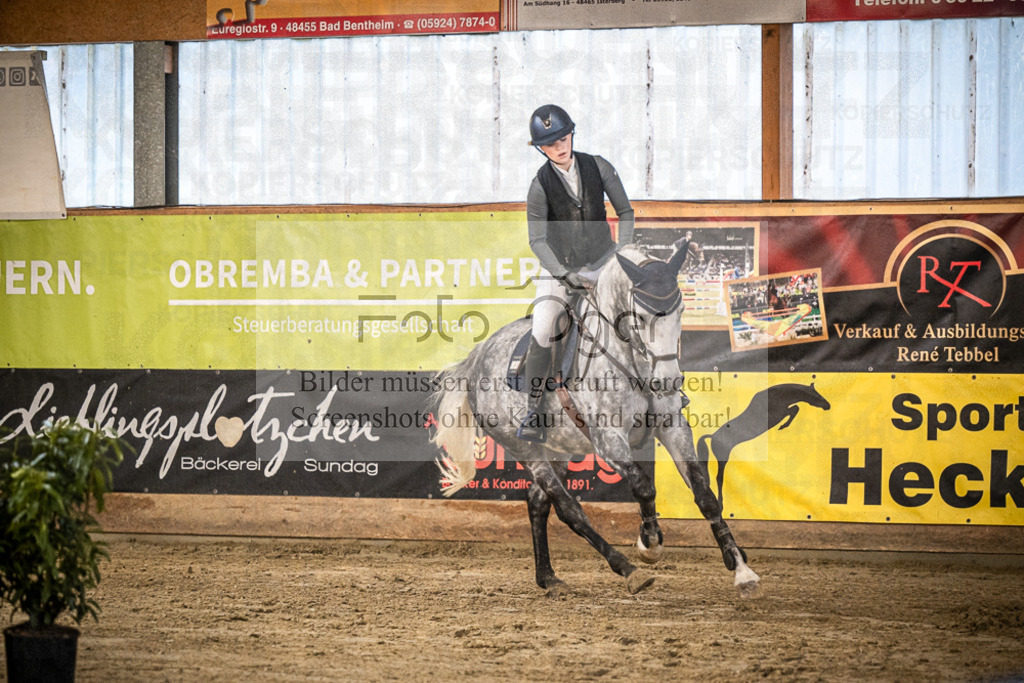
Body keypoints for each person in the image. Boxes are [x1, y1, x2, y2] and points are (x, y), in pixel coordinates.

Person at [517, 104, 635, 442]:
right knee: (542, 328)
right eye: (552, 143)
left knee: (641, 314)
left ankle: (663, 392)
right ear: (541, 148)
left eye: (564, 137)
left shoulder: (598, 165)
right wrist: (563, 275)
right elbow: (537, 240)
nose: (560, 146)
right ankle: (535, 410)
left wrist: (623, 253)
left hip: (604, 261)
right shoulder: (539, 186)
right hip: (560, 270)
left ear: (572, 134)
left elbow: (625, 212)